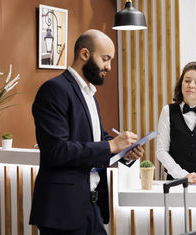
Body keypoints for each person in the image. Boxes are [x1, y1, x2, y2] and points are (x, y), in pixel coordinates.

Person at [29, 29, 144, 234]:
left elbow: (97, 138)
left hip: (91, 206)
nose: (109, 67)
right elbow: (56, 151)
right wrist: (110, 145)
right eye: (105, 59)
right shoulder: (54, 90)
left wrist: (125, 150)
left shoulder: (89, 94)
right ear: (84, 54)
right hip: (62, 210)